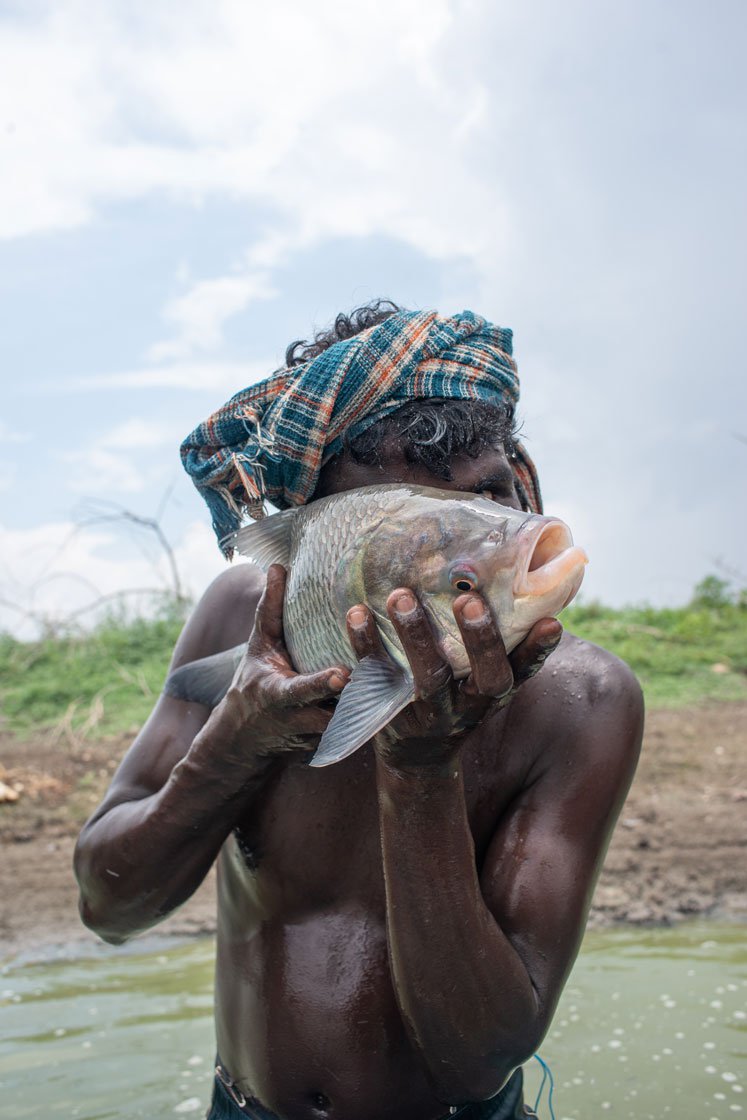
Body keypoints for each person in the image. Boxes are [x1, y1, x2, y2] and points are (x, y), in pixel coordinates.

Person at [74, 303, 643, 1120]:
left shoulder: (583, 701)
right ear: (318, 538)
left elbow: (480, 1055)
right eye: (410, 527)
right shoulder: (243, 620)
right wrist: (240, 737)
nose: (465, 544)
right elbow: (109, 905)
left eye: (485, 497)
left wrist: (419, 772)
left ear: (521, 481)